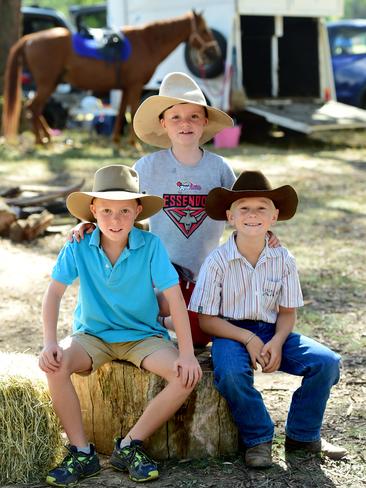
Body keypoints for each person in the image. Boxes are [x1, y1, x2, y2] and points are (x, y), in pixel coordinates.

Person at [70, 72, 279, 347]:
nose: (185, 124)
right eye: (176, 117)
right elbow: (119, 206)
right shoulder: (147, 167)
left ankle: (165, 320)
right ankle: (152, 313)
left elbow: (243, 211)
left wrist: (265, 234)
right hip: (160, 268)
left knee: (200, 336)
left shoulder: (218, 168)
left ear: (205, 122)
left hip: (208, 270)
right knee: (145, 316)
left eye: (194, 116)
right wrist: (90, 224)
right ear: (163, 123)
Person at [39, 164, 202, 487]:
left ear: (138, 210)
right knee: (54, 366)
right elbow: (53, 294)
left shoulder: (151, 245)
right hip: (92, 336)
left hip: (142, 335)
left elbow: (176, 301)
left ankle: (129, 446)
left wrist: (186, 353)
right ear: (93, 212)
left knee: (185, 377)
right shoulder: (78, 245)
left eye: (125, 211)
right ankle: (81, 452)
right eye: (107, 211)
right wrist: (49, 342)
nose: (115, 220)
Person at [189, 170, 347, 468]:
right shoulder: (217, 262)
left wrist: (276, 340)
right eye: (243, 208)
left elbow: (288, 313)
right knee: (232, 375)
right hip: (229, 330)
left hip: (274, 330)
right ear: (230, 217)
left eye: (261, 207)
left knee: (326, 362)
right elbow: (206, 320)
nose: (252, 214)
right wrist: (247, 338)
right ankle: (258, 438)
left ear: (274, 216)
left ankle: (303, 434)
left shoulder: (283, 259)